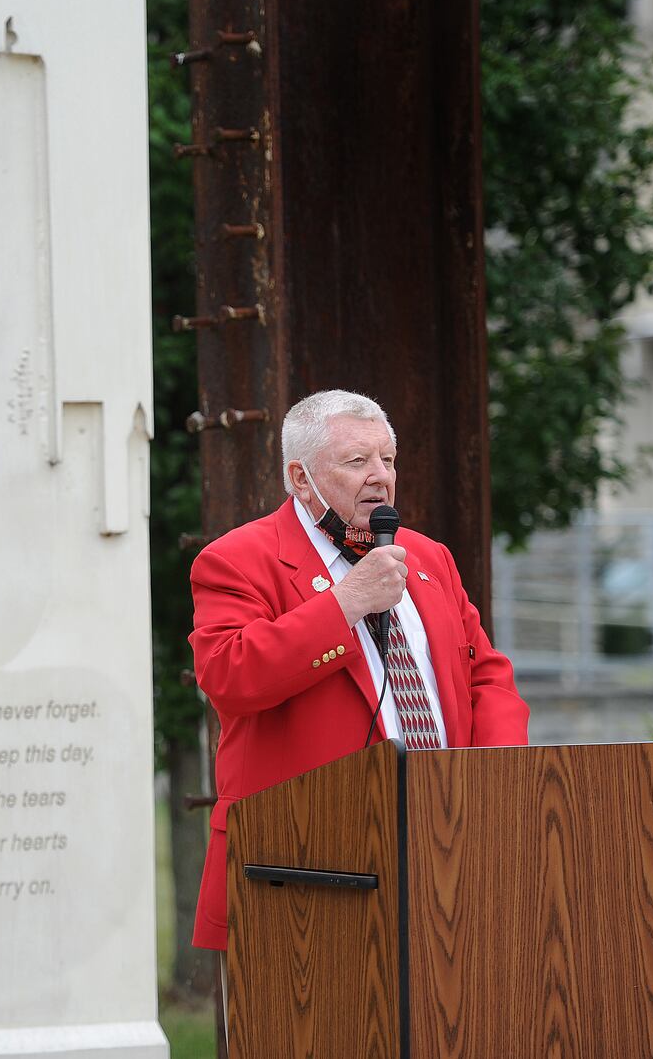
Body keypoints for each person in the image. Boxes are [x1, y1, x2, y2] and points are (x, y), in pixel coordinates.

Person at [187, 389, 529, 951]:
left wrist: (495, 777)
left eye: (388, 460)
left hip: (448, 843)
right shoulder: (237, 559)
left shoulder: (426, 557)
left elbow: (486, 676)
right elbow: (230, 676)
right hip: (305, 865)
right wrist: (344, 604)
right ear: (301, 478)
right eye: (357, 462)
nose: (381, 477)